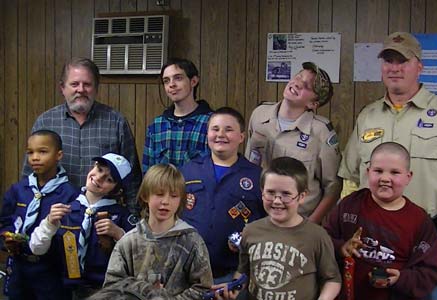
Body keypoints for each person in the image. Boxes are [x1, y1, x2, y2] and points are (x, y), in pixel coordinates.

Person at [338, 32, 437, 299]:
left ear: (419, 67)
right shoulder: (368, 115)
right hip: (373, 240)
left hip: (434, 238)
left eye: (403, 61)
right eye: (388, 60)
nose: (394, 68)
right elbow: (351, 177)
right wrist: (345, 228)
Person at [23, 57, 142, 216]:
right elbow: (29, 174)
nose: (81, 89)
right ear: (62, 88)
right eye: (74, 84)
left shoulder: (116, 122)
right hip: (55, 216)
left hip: (103, 218)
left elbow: (132, 178)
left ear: (96, 88)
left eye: (87, 84)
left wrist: (132, 219)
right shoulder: (45, 122)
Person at [325, 142, 437, 299]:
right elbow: (322, 240)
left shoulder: (419, 220)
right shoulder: (351, 204)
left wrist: (400, 278)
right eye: (378, 171)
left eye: (395, 172)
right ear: (368, 172)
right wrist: (342, 248)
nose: (385, 178)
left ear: (409, 177)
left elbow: (431, 271)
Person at [218, 157, 341, 300]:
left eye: (286, 194)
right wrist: (234, 289)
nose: (277, 201)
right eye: (270, 192)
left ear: (302, 196)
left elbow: (332, 279)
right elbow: (243, 272)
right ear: (261, 192)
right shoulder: (250, 231)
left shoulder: (317, 236)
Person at [245, 62, 341, 224]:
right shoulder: (260, 114)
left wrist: (310, 225)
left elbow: (332, 187)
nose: (297, 83)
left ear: (313, 104)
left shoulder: (320, 131)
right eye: (298, 76)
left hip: (297, 221)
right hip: (256, 216)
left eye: (306, 86)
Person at [29, 153, 136, 298]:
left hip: (105, 291)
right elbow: (36, 249)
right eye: (99, 170)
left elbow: (137, 258)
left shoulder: (122, 216)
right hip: (62, 289)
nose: (98, 178)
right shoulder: (65, 206)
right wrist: (49, 224)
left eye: (109, 179)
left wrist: (119, 234)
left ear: (117, 189)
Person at [180, 107, 266, 283]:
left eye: (229, 130)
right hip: (187, 269)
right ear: (207, 134)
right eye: (215, 129)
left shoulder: (257, 176)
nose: (221, 134)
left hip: (233, 273)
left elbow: (266, 224)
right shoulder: (189, 170)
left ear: (242, 137)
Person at [103, 164, 213, 299]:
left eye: (173, 196)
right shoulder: (128, 242)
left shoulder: (192, 241)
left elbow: (203, 289)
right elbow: (111, 289)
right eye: (159, 194)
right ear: (145, 196)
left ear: (181, 200)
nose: (165, 201)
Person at [0, 130, 79, 300]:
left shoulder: (70, 194)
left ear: (59, 155)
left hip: (50, 271)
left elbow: (70, 235)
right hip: (18, 267)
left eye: (42, 152)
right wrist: (6, 239)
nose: (35, 157)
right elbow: (5, 221)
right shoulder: (18, 190)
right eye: (30, 152)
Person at [142, 58, 213, 171]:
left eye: (178, 78)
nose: (172, 84)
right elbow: (148, 173)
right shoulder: (157, 125)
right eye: (166, 81)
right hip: (162, 188)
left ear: (193, 81)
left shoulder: (211, 122)